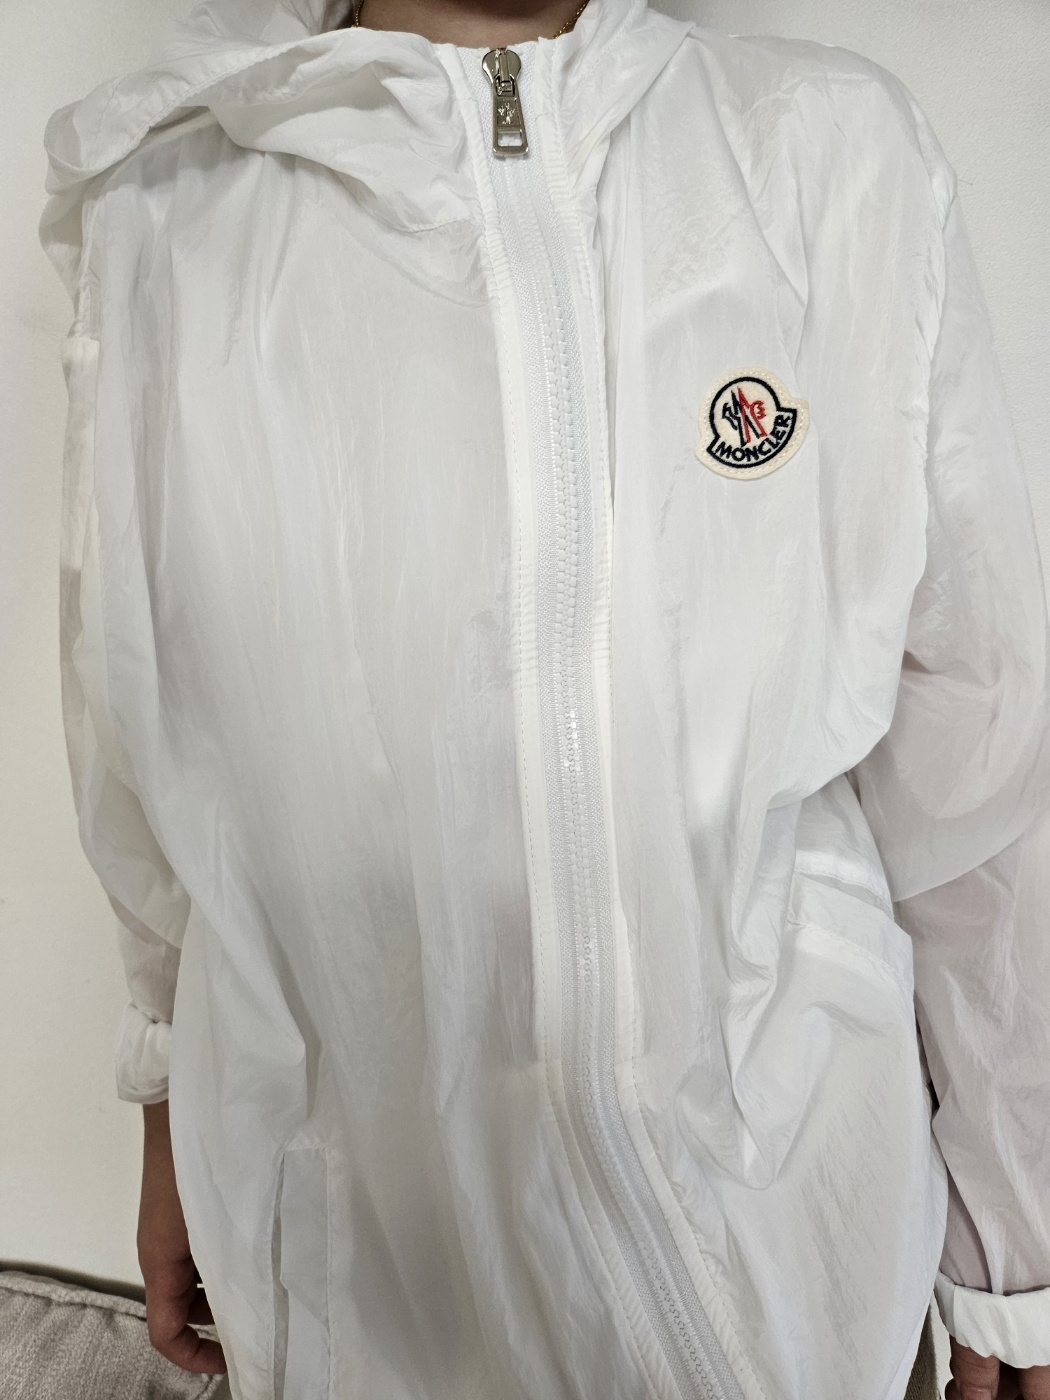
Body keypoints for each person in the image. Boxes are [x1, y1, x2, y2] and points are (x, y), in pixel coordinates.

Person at [39, 0, 1050, 1396]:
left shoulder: (827, 151)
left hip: (801, 1251)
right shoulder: (171, 208)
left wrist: (1015, 1228)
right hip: (370, 1268)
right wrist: (165, 1099)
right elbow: (138, 722)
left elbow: (975, 757)